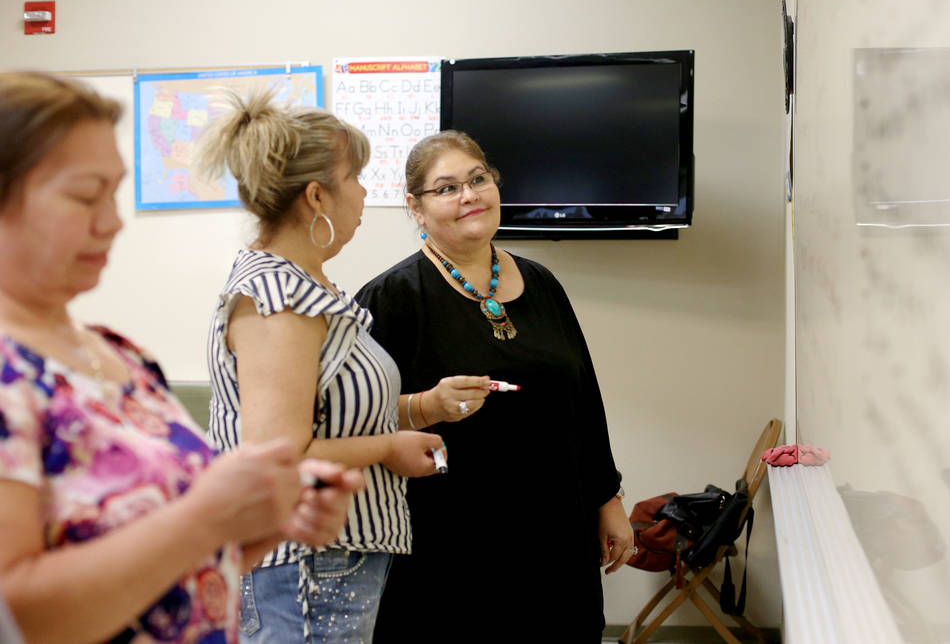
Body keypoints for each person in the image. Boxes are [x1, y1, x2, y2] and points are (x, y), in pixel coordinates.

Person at [0, 71, 360, 644]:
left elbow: (172, 572)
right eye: (84, 195)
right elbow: (18, 616)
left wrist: (259, 525)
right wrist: (208, 516)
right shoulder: (8, 375)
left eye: (115, 193)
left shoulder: (120, 357)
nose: (114, 221)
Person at [355, 130, 634, 642]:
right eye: (447, 188)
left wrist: (608, 499)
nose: (469, 196)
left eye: (478, 179)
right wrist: (425, 405)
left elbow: (583, 400)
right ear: (416, 208)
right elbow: (352, 418)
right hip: (450, 546)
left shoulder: (543, 283)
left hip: (556, 537)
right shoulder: (390, 297)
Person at [199, 90, 445, 642]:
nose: (362, 193)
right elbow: (278, 456)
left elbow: (333, 412)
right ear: (316, 196)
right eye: (356, 178)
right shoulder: (278, 297)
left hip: (331, 561)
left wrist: (421, 409)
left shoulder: (306, 288)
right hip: (306, 567)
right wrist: (387, 448)